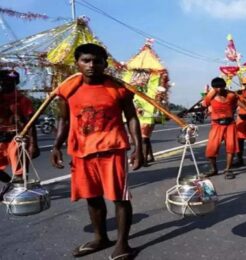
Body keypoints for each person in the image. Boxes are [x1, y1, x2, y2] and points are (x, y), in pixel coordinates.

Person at [50, 43, 143, 259]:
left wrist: (138, 147)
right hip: (81, 152)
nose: (92, 65)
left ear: (105, 64)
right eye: (86, 60)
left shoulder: (119, 89)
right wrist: (56, 146)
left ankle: (123, 244)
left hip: (112, 150)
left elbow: (131, 118)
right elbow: (63, 119)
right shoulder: (68, 89)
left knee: (119, 198)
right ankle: (101, 238)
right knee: (92, 197)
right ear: (77, 63)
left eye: (97, 61)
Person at [0, 69, 39, 200]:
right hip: (1, 138)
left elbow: (30, 122)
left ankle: (18, 191)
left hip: (16, 138)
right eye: (3, 80)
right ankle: (10, 185)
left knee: (19, 172)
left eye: (9, 80)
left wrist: (33, 145)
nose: (5, 83)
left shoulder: (23, 100)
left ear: (15, 82)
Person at [201, 77, 238, 179]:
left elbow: (235, 105)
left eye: (221, 87)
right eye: (216, 87)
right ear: (213, 88)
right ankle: (214, 169)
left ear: (224, 86)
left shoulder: (231, 95)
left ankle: (228, 170)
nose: (219, 89)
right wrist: (211, 92)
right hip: (216, 125)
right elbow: (204, 104)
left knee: (231, 148)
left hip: (230, 124)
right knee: (211, 150)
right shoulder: (210, 97)